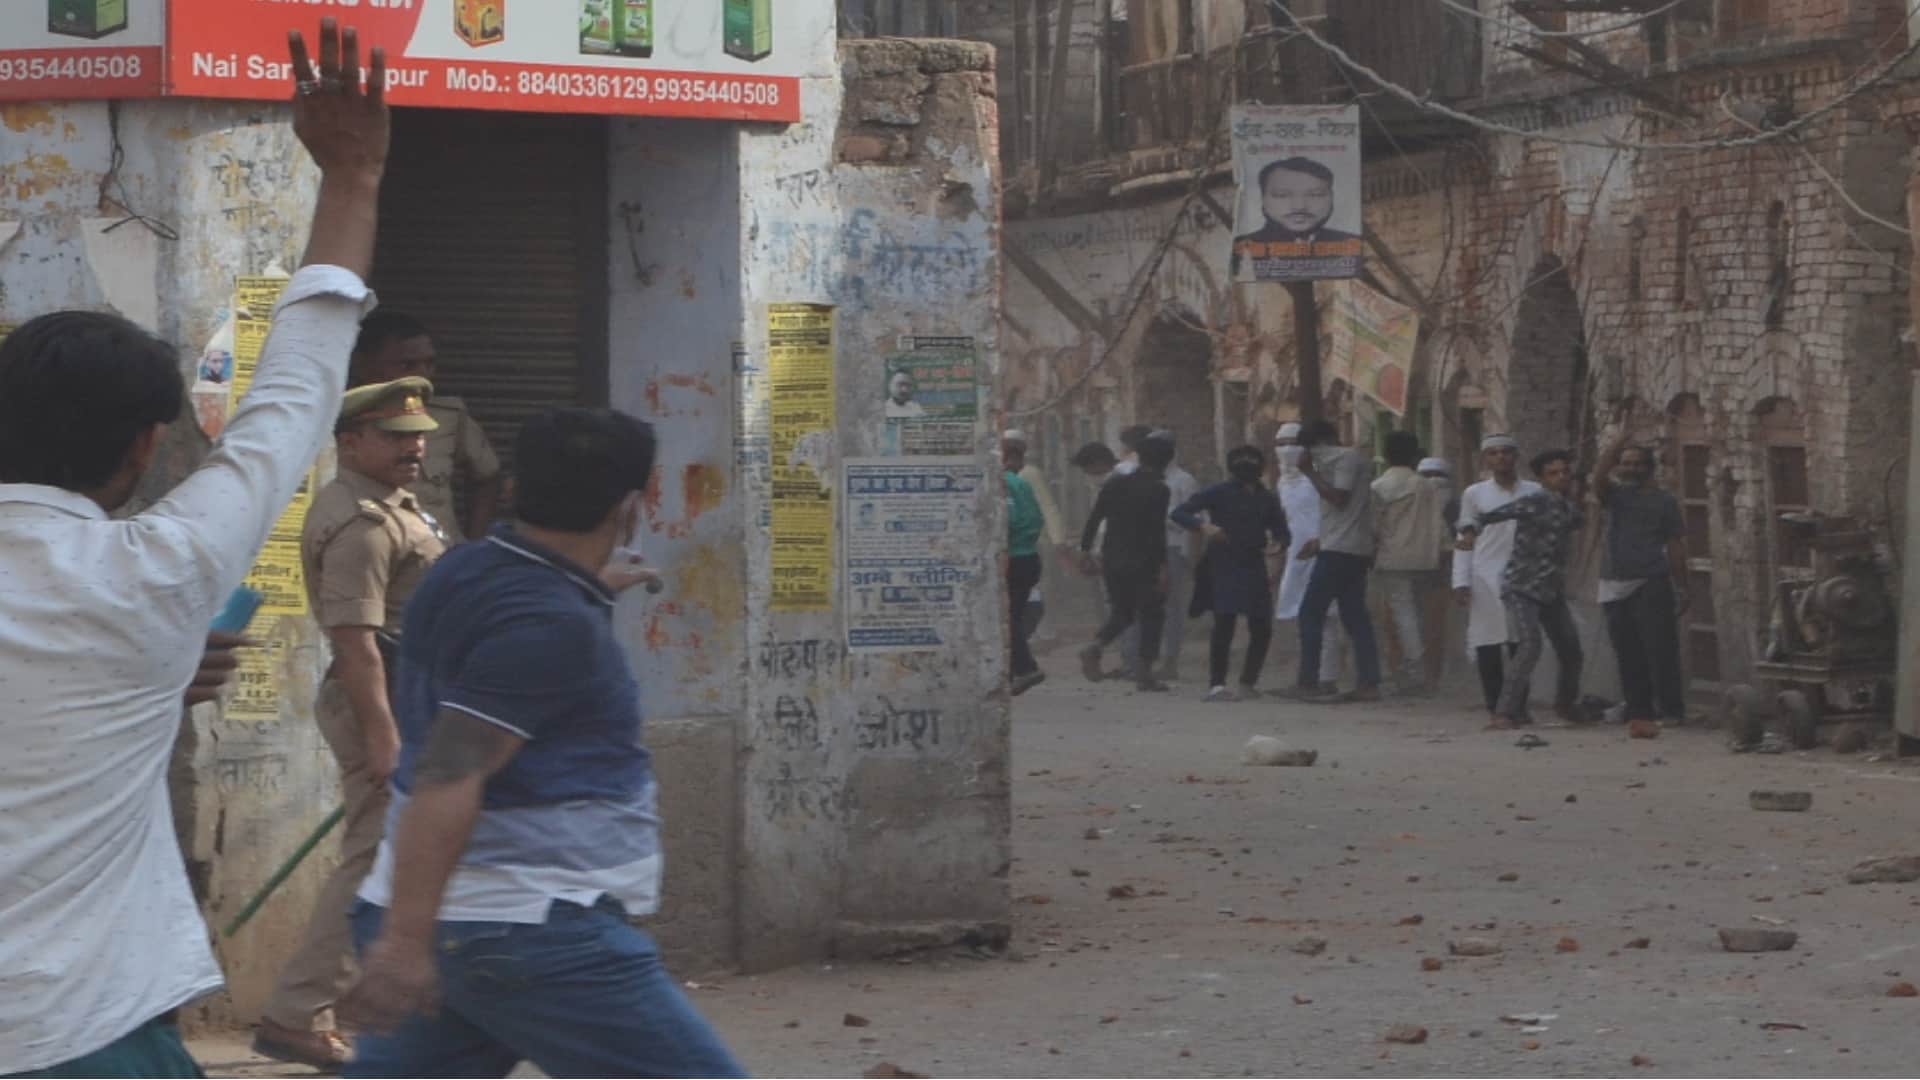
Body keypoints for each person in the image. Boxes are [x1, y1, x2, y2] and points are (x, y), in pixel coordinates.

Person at [0, 23, 389, 1076]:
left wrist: (149, 684)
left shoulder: (146, 598)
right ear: (145, 445)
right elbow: (298, 391)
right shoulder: (153, 576)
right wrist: (351, 173)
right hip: (80, 1026)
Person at [337, 408, 744, 1077]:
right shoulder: (552, 622)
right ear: (633, 508)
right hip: (527, 928)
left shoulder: (464, 571)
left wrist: (588, 591)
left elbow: (510, 641)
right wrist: (405, 945)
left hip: (471, 923)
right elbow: (450, 772)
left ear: (511, 490)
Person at [254, 378, 449, 1070]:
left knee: (399, 857)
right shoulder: (360, 523)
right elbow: (355, 642)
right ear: (351, 442)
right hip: (381, 697)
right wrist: (385, 736)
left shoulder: (392, 506)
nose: (415, 445)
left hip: (408, 695)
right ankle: (295, 1012)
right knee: (372, 860)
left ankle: (349, 1008)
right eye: (397, 436)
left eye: (418, 433)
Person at [1460, 449, 1586, 729]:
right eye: (1554, 473)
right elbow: (1488, 517)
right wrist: (1468, 534)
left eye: (1565, 472)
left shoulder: (1568, 508)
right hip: (1523, 587)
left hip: (1551, 590)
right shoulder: (1534, 502)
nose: (1562, 477)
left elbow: (1582, 525)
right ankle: (1504, 711)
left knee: (1571, 649)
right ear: (1541, 479)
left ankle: (1565, 704)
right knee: (1530, 646)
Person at [350, 311, 501, 544]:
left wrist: (474, 540)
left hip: (438, 559)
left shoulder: (448, 417)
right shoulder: (343, 420)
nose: (423, 374)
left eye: (429, 364)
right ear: (363, 365)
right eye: (406, 365)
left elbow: (487, 476)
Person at [1172, 445, 1289, 701]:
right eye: (1242, 462)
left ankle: (1248, 682)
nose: (1248, 467)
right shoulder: (1218, 492)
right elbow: (1179, 513)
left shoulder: (1266, 498)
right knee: (1224, 623)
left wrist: (1278, 543)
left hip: (1254, 563)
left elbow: (1282, 531)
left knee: (1261, 626)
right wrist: (1204, 526)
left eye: (1253, 461)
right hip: (1222, 562)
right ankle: (1217, 685)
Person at [1592, 419, 1689, 724]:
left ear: (1649, 468)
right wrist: (1616, 444)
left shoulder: (1664, 502)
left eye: (1637, 464)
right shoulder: (1615, 496)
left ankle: (1671, 710)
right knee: (1627, 651)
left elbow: (1675, 545)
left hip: (1651, 580)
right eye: (1626, 463)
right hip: (1613, 582)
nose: (1631, 468)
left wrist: (1682, 586)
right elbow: (1598, 477)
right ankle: (1639, 709)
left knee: (1660, 650)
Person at [1452, 434, 1544, 720]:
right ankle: (1495, 706)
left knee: (1523, 643)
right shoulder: (1474, 494)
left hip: (1524, 575)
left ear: (1516, 457)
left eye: (1506, 452)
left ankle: (1518, 706)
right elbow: (1464, 536)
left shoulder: (1535, 491)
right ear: (1486, 459)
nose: (1500, 458)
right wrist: (1460, 580)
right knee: (1488, 642)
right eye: (1494, 453)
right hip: (1484, 575)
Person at [1292, 420, 1382, 703]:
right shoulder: (1346, 460)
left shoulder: (1345, 459)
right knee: (1355, 617)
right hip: (1346, 547)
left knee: (1310, 613)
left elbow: (1339, 498)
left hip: (1340, 552)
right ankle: (1368, 682)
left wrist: (1309, 473)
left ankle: (1308, 681)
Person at [1077, 436, 1174, 693]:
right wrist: (1163, 566)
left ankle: (1095, 646)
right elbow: (1156, 531)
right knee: (1152, 613)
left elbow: (1094, 518)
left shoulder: (1116, 483)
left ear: (1140, 457)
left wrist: (1085, 551)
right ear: (1167, 461)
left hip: (1112, 559)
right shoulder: (1160, 489)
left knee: (1123, 611)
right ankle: (1145, 673)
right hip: (1143, 561)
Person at [1370, 432, 1451, 695]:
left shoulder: (1380, 486)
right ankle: (1423, 672)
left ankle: (1413, 672)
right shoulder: (1426, 485)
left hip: (1393, 559)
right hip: (1426, 560)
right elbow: (1438, 525)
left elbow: (1374, 526)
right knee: (1420, 616)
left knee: (1402, 616)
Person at [1273, 422, 1341, 691]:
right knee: (1303, 616)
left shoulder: (1321, 478)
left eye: (1293, 443)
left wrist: (1321, 541)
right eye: (1281, 445)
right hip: (1295, 556)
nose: (1287, 450)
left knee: (1327, 618)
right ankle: (1309, 674)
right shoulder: (1282, 481)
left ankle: (1327, 677)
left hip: (1323, 551)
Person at [1231, 156, 1361, 277]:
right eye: (1282, 195)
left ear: (1332, 197)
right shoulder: (1242, 249)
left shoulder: (1352, 245)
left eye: (1315, 194)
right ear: (1262, 198)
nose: (1299, 206)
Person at [1138, 430, 1196, 682]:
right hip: (1145, 548)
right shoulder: (1141, 478)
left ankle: (1171, 660)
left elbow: (1196, 519)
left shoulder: (1184, 480)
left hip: (1172, 548)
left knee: (1172, 608)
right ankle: (1145, 661)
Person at [1003, 428, 1069, 642]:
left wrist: (1058, 540)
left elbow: (1047, 506)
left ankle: (1044, 632)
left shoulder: (1029, 473)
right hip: (1011, 544)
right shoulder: (1000, 473)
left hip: (1035, 542)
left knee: (1040, 587)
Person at [1004, 436, 1047, 697]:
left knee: (1007, 620)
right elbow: (1036, 518)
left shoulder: (1005, 483)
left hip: (1013, 559)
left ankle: (1026, 668)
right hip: (1029, 556)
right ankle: (1009, 674)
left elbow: (1007, 521)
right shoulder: (1022, 484)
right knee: (1013, 618)